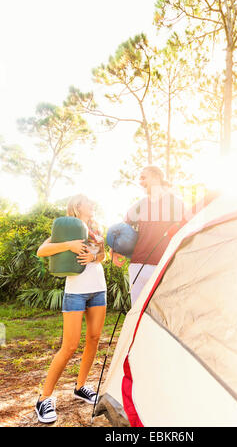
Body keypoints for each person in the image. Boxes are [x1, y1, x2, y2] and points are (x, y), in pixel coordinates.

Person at [35, 194, 106, 424]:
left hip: (98, 289)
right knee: (70, 346)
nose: (93, 205)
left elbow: (102, 255)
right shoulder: (67, 229)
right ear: (77, 206)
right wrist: (69, 245)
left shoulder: (96, 227)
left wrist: (96, 256)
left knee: (94, 339)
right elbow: (41, 251)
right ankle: (43, 398)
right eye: (89, 202)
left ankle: (81, 386)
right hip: (75, 292)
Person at [112, 166, 185, 306]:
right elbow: (123, 227)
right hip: (138, 266)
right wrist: (114, 249)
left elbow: (186, 230)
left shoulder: (175, 203)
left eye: (143, 177)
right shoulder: (140, 205)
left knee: (162, 313)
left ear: (156, 177)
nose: (141, 182)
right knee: (137, 312)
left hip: (164, 266)